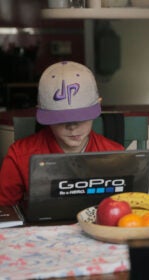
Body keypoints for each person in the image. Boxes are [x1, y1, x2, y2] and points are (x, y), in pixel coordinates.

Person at [0, 61, 125, 206]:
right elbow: (3, 210)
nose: (72, 126)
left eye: (81, 117)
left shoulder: (115, 154)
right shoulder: (19, 154)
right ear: (43, 113)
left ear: (98, 104)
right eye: (61, 119)